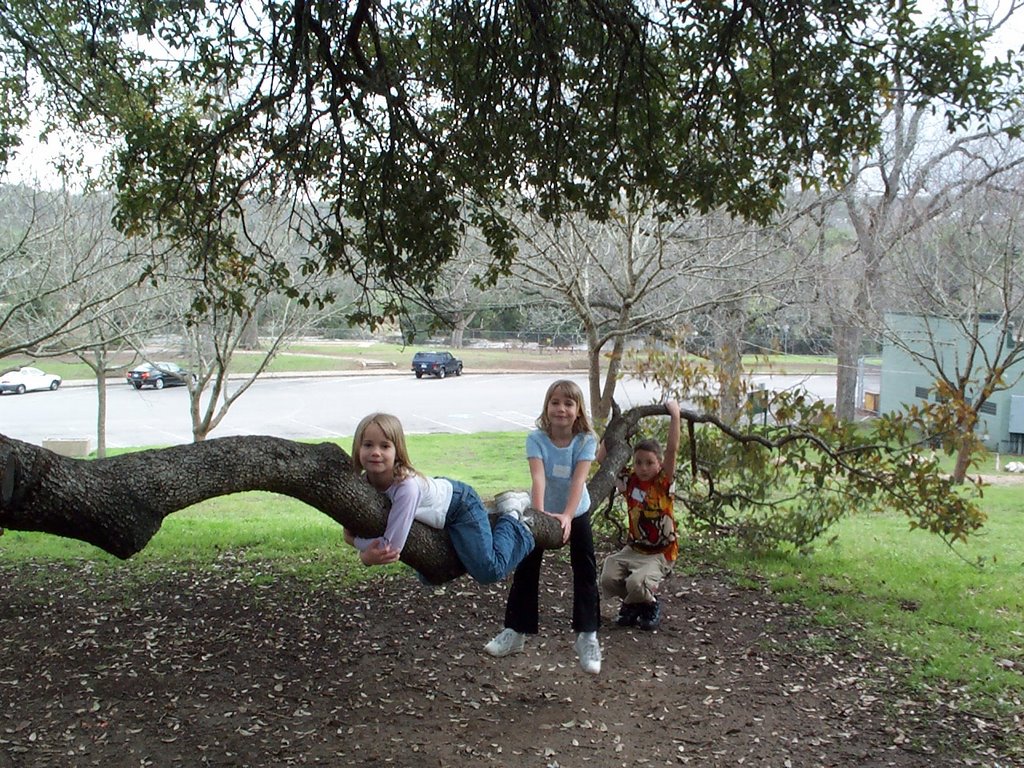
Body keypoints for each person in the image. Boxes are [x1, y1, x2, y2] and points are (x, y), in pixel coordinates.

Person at [483, 379, 602, 674]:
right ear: (547, 407)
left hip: (576, 510)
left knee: (585, 568)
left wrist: (567, 516)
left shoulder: (586, 440)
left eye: (568, 403)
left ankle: (587, 635)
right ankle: (516, 631)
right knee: (526, 566)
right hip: (541, 509)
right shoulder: (536, 439)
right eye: (555, 402)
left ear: (578, 411)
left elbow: (578, 481)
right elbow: (539, 478)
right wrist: (538, 516)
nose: (561, 409)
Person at [344, 412, 534, 584]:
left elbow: (392, 547)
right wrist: (355, 539)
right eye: (368, 445)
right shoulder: (362, 484)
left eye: (384, 446)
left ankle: (514, 516)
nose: (375, 452)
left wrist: (361, 550)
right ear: (357, 448)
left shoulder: (406, 487)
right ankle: (487, 520)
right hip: (437, 500)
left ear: (397, 452)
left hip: (460, 506)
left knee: (489, 571)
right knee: (429, 576)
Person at [598, 400, 681, 631]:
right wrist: (616, 426)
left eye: (649, 463)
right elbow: (602, 458)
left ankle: (649, 603)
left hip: (660, 553)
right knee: (608, 577)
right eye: (638, 462)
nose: (643, 468)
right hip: (634, 549)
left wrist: (675, 415)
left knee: (636, 582)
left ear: (659, 463)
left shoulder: (663, 482)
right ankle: (636, 603)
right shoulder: (629, 482)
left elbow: (673, 449)